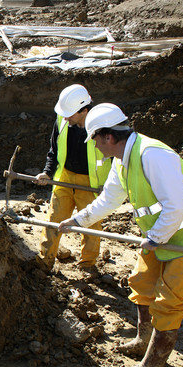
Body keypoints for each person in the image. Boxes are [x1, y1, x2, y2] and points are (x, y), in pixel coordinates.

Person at [58, 103, 183, 367]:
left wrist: (155, 238)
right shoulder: (122, 159)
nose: (94, 146)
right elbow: (109, 200)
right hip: (162, 235)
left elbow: (177, 205)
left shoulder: (152, 155)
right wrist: (76, 221)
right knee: (142, 282)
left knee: (169, 303)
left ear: (108, 137)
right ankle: (143, 338)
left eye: (95, 139)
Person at [34, 84, 111, 270]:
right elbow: (54, 150)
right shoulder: (62, 119)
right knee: (54, 220)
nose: (65, 117)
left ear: (84, 110)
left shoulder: (104, 126)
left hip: (91, 183)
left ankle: (87, 265)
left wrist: (110, 185)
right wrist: (47, 172)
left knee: (90, 226)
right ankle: (45, 260)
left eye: (70, 114)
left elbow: (117, 158)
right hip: (64, 178)